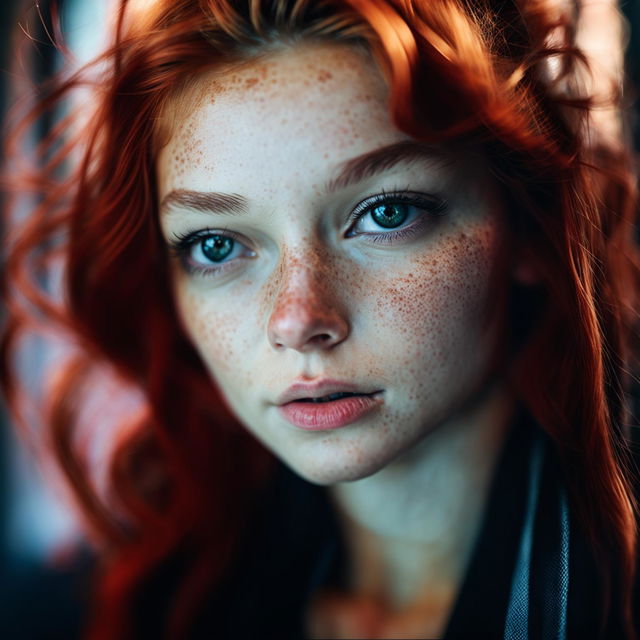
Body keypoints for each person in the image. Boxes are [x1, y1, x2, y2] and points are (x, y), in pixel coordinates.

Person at [2, 0, 639, 638]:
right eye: (217, 245)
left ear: (527, 224)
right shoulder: (128, 608)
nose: (298, 319)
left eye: (386, 213)